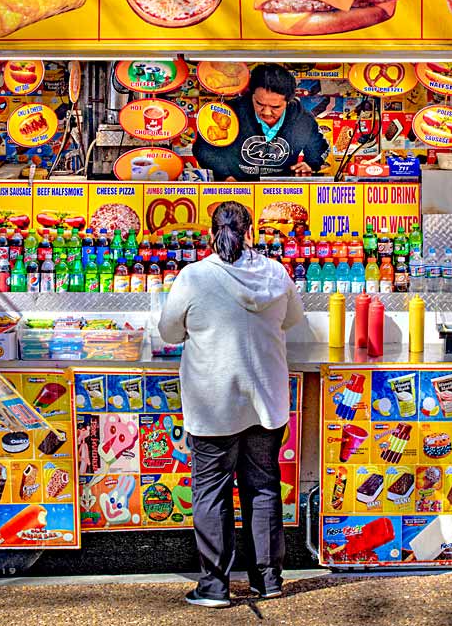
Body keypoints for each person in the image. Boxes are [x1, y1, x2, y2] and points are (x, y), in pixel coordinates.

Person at [158, 201, 304, 608]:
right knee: (262, 489)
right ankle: (268, 580)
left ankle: (215, 587)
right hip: (266, 402)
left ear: (211, 234)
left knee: (211, 493)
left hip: (214, 405)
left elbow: (169, 331)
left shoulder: (194, 277)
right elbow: (291, 319)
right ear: (251, 232)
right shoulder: (276, 273)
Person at [193, 63, 329, 180]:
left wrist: (311, 164)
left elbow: (319, 147)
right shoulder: (231, 112)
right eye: (259, 103)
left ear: (288, 101)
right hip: (235, 189)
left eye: (276, 107)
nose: (267, 112)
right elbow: (203, 149)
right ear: (251, 95)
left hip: (279, 193)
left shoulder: (302, 119)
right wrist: (224, 175)